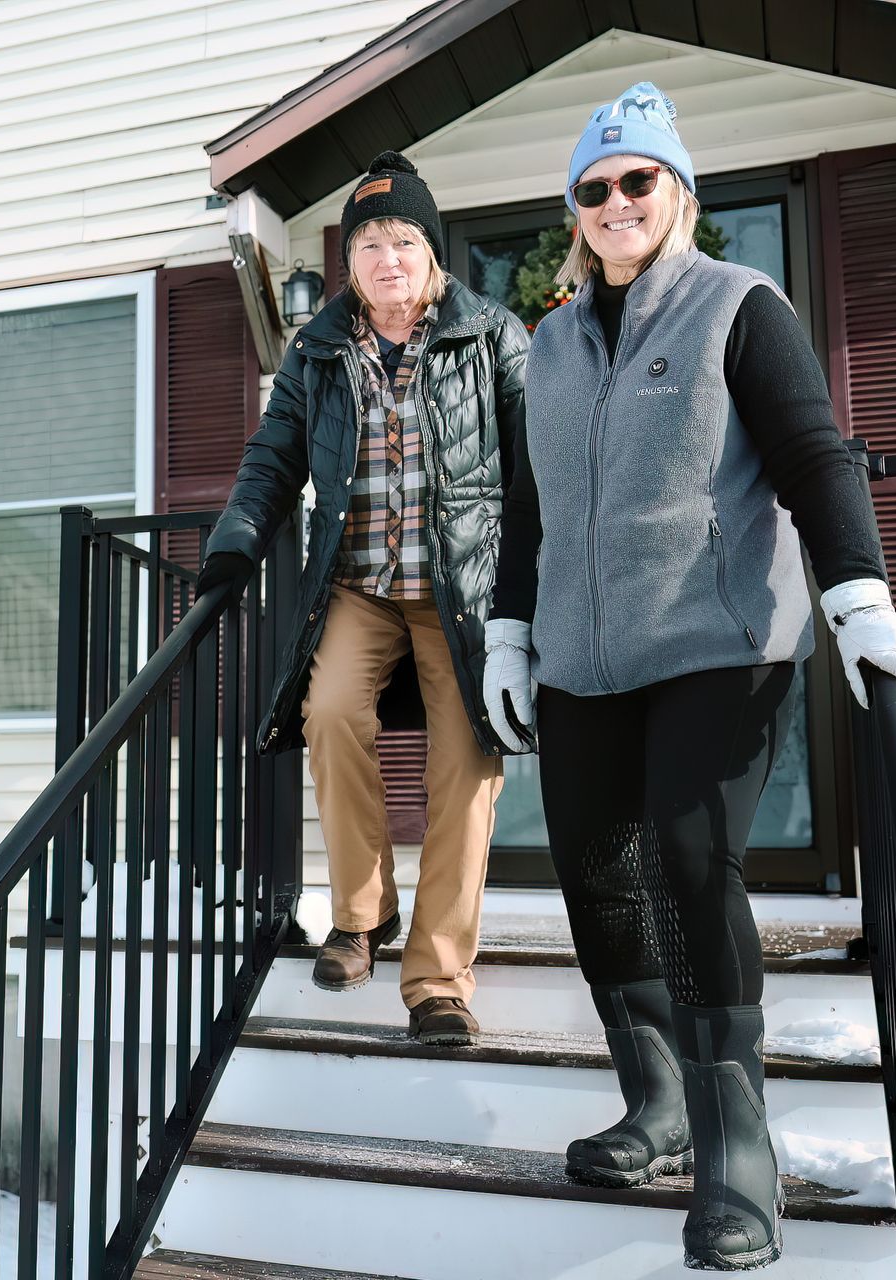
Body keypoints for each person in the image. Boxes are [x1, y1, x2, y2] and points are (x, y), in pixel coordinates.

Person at [481, 83, 896, 1270]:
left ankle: (741, 1146)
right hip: (585, 659)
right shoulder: (551, 342)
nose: (617, 202)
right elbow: (529, 507)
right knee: (594, 873)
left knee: (690, 859)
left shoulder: (743, 304)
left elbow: (810, 454)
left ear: (678, 192)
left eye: (638, 180)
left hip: (717, 643)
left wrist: (858, 595)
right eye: (595, 189)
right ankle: (659, 1099)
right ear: (576, 216)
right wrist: (507, 633)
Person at [195, 151, 529, 1047]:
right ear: (349, 265)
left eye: (404, 240)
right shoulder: (318, 349)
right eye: (370, 242)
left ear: (433, 254)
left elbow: (539, 466)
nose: (388, 258)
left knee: (468, 755)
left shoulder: (491, 334)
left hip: (461, 587)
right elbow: (274, 459)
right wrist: (234, 540)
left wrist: (535, 587)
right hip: (359, 585)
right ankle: (362, 911)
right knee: (331, 710)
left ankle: (440, 979)